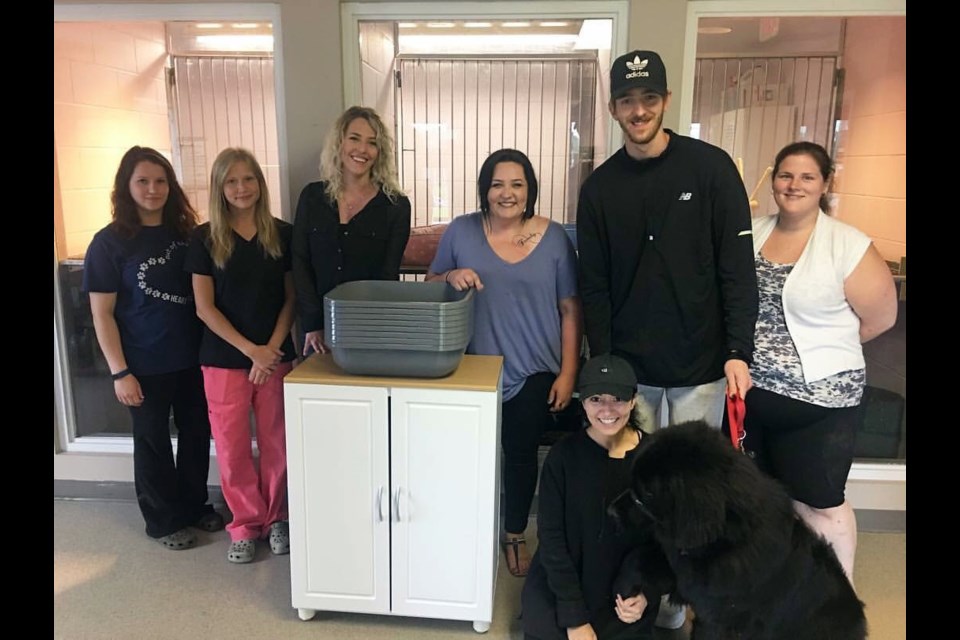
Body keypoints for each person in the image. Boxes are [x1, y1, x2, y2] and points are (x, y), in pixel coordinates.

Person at [575, 48, 758, 630]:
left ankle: (688, 599)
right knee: (642, 492)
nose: (638, 110)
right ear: (612, 108)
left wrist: (739, 350)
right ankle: (648, 598)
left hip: (702, 368)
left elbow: (737, 267)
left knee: (698, 496)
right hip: (633, 376)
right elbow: (594, 286)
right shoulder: (600, 188)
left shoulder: (710, 169)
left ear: (666, 101)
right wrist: (605, 368)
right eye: (627, 101)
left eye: (649, 98)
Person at [741, 141, 898, 585]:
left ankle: (838, 597)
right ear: (773, 181)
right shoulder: (752, 231)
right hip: (755, 397)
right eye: (786, 175)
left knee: (822, 503)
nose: (794, 185)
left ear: (825, 183)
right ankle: (779, 588)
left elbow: (881, 318)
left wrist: (827, 350)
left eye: (807, 176)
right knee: (766, 500)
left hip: (820, 403)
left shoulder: (847, 245)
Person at [426, 148, 583, 578]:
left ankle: (514, 533)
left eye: (517, 184)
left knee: (518, 450)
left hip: (535, 369)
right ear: (485, 189)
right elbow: (431, 283)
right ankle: (464, 529)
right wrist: (449, 277)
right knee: (464, 455)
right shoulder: (461, 232)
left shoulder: (553, 239)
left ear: (530, 190)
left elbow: (571, 308)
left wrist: (568, 374)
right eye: (497, 184)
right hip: (471, 368)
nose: (507, 193)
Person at [83, 146, 224, 551]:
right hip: (144, 364)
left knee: (198, 433)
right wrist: (119, 372)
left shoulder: (188, 234)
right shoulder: (109, 244)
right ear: (126, 187)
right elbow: (102, 315)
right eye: (143, 181)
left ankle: (195, 504)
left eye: (160, 180)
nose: (153, 189)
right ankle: (163, 520)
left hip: (195, 358)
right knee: (152, 441)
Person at [185, 147, 297, 564]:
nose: (241, 188)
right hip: (224, 360)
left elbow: (291, 299)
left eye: (248, 179)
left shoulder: (282, 234)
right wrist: (251, 351)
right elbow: (204, 308)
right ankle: (245, 524)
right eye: (231, 181)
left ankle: (277, 518)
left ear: (260, 183)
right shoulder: (203, 238)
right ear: (219, 187)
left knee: (277, 444)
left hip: (275, 356)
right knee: (231, 448)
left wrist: (270, 349)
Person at [521, 354, 660, 640]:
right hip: (563, 584)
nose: (607, 409)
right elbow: (551, 539)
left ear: (633, 400)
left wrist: (647, 592)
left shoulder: (656, 459)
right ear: (582, 401)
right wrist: (574, 618)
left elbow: (665, 543)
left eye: (617, 398)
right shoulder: (561, 458)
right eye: (596, 399)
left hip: (623, 590)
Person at [292, 105, 411, 356]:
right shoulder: (312, 197)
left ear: (380, 152)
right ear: (340, 143)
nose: (362, 150)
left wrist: (370, 330)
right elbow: (300, 262)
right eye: (354, 138)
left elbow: (388, 276)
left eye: (372, 143)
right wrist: (313, 324)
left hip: (368, 330)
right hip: (316, 333)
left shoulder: (396, 207)